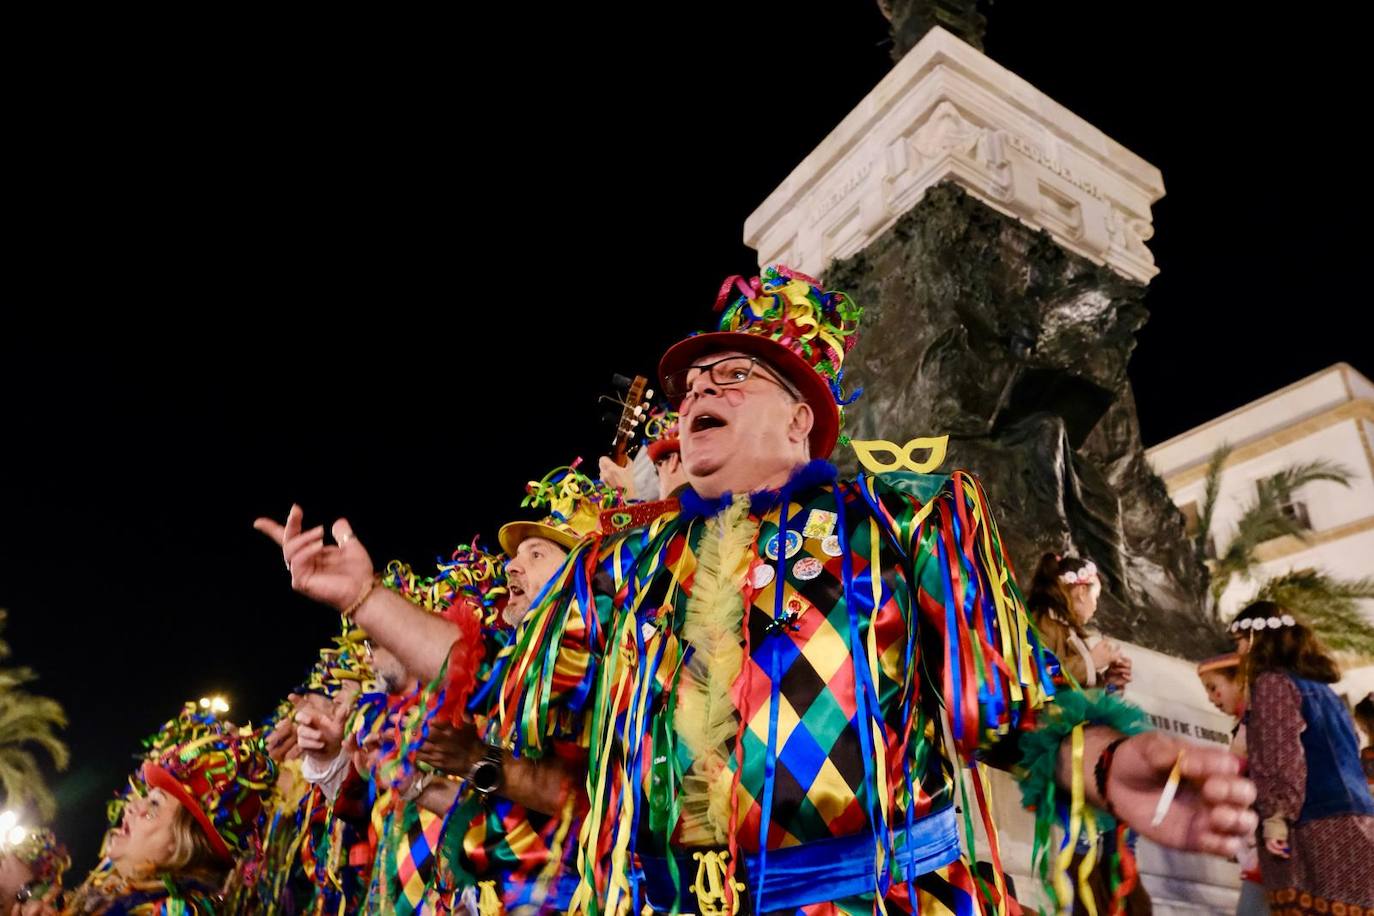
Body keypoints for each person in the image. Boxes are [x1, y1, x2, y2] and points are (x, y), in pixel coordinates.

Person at [1231, 601, 1374, 913]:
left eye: (1239, 642)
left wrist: (1275, 817)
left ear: (1255, 640)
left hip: (1315, 826)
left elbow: (1281, 754)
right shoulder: (1326, 693)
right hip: (1360, 824)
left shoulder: (1272, 683)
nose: (1238, 652)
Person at [1028, 554, 1131, 691]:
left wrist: (1110, 683)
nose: (1095, 606)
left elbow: (1081, 696)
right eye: (1095, 597)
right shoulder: (1043, 624)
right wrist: (1091, 661)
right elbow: (1036, 676)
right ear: (1082, 592)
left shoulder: (1067, 630)